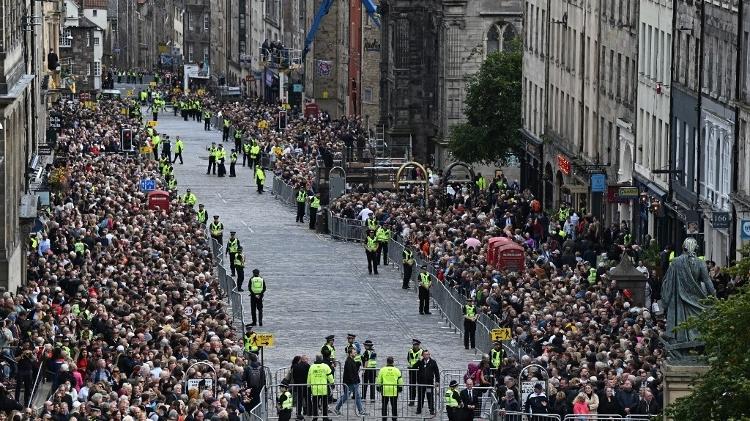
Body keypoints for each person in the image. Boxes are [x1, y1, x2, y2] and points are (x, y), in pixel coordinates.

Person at [662, 237, 715, 344]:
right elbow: (707, 281)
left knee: (682, 322)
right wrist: (713, 296)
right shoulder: (700, 263)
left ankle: (681, 341)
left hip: (679, 299)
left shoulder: (675, 262)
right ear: (694, 248)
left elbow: (667, 282)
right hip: (695, 298)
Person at [333, 347, 367, 416]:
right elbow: (350, 373)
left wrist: (358, 364)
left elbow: (354, 371)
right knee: (346, 396)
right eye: (354, 352)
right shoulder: (348, 361)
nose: (356, 353)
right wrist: (354, 381)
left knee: (357, 396)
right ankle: (337, 408)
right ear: (350, 353)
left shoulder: (352, 360)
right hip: (350, 383)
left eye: (355, 352)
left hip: (354, 382)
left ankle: (361, 411)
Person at [376, 356, 402, 421]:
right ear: (393, 362)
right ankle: (394, 418)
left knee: (384, 406)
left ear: (387, 362)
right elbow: (400, 380)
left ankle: (384, 418)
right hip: (394, 390)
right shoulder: (397, 370)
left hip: (385, 390)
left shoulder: (382, 370)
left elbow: (379, 380)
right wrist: (400, 388)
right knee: (394, 406)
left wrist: (378, 387)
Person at [307, 355, 333, 421]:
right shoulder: (325, 366)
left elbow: (309, 377)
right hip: (323, 388)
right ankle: (325, 418)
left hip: (315, 389)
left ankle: (315, 418)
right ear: (321, 359)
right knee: (324, 404)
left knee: (315, 404)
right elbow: (330, 376)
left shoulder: (312, 367)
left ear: (315, 359)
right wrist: (332, 383)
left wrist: (308, 386)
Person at [414, 349, 439, 415]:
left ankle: (431, 409)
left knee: (430, 396)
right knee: (420, 397)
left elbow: (437, 372)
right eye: (425, 354)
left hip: (429, 384)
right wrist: (418, 361)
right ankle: (419, 409)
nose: (426, 356)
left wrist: (437, 381)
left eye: (428, 354)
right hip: (421, 384)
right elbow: (414, 367)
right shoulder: (420, 361)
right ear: (422, 355)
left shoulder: (433, 362)